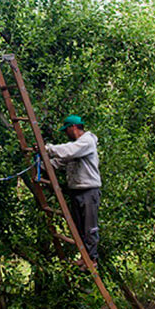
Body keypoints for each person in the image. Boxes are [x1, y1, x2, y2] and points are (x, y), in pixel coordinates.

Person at [46, 115, 101, 268]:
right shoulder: (76, 147)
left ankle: (92, 259)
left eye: (66, 130)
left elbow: (68, 151)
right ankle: (85, 258)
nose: (66, 133)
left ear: (73, 127)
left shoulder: (86, 142)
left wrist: (48, 149)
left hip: (89, 191)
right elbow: (60, 161)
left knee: (90, 227)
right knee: (79, 228)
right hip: (76, 191)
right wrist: (42, 163)